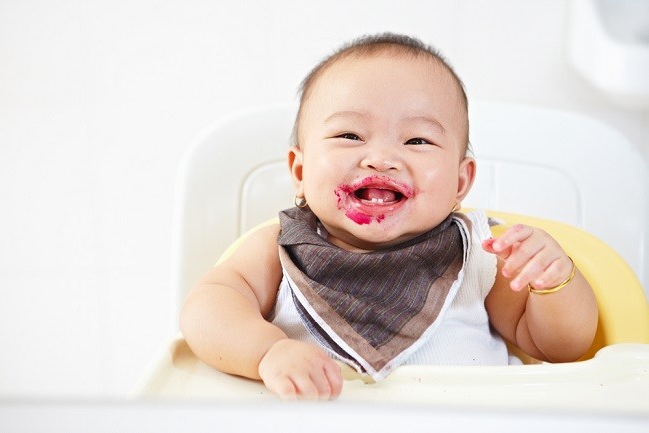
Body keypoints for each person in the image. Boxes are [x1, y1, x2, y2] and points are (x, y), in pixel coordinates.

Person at [179, 33, 599, 400]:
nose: (381, 159)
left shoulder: (482, 255)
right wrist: (267, 351)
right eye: (349, 135)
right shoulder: (278, 252)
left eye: (417, 140)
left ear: (459, 182)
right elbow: (206, 311)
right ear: (301, 172)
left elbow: (560, 348)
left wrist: (553, 282)